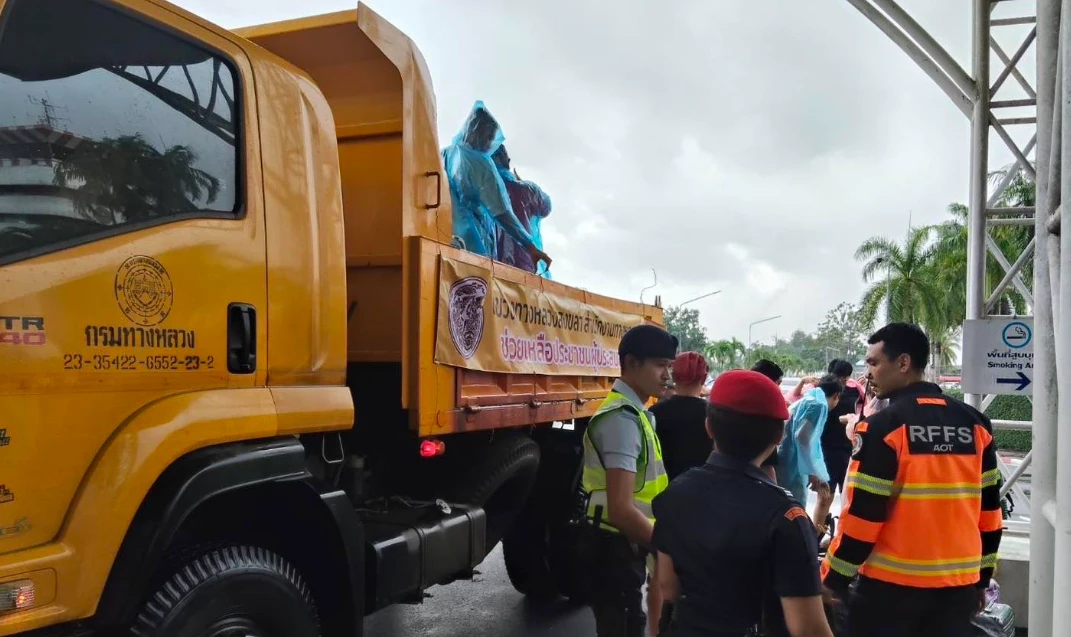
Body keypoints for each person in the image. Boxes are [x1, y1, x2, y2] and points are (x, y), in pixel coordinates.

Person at [821, 323, 1003, 637]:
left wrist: (831, 579)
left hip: (888, 596)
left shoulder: (882, 428)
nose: (868, 373)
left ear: (903, 363)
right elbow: (990, 515)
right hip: (958, 592)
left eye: (874, 362)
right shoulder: (975, 424)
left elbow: (863, 519)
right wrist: (981, 581)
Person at [652, 370, 834, 637]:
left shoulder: (674, 493)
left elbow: (668, 587)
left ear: (709, 427)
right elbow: (807, 628)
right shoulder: (785, 516)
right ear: (779, 437)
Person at [581, 324, 676, 637]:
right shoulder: (622, 420)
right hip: (614, 549)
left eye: (670, 366)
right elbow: (621, 510)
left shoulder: (637, 413)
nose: (667, 375)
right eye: (660, 365)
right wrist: (668, 548)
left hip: (625, 546)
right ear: (632, 363)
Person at [441, 101, 551, 268]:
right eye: (489, 138)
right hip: (473, 246)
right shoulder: (479, 163)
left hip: (446, 241)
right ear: (476, 133)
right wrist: (530, 247)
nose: (489, 145)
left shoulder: (446, 154)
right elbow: (501, 212)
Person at [813, 360, 865, 534]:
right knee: (824, 499)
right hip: (826, 451)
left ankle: (840, 538)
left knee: (848, 499)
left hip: (848, 450)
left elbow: (865, 412)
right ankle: (816, 536)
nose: (842, 381)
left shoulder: (855, 390)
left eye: (845, 378)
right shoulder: (819, 391)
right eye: (839, 377)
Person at [777, 375, 842, 514]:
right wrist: (812, 472)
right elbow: (802, 437)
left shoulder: (807, 400)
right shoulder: (818, 405)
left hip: (785, 459)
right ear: (836, 395)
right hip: (793, 466)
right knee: (793, 510)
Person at [491, 145, 553, 277]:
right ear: (507, 161)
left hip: (487, 264)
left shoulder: (481, 189)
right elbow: (546, 207)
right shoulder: (525, 190)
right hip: (524, 265)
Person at [651, 351, 713, 481]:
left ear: (673, 377)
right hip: (704, 487)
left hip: (664, 488)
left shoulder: (654, 412)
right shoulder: (713, 414)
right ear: (704, 378)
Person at [751, 359, 786, 482]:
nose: (779, 389)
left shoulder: (730, 407)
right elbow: (767, 465)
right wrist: (775, 489)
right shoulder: (766, 412)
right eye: (778, 383)